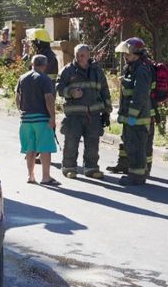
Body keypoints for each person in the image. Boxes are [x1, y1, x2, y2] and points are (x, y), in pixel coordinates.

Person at [56, 44, 111, 179]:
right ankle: (69, 168)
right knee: (71, 143)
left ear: (88, 55)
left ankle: (91, 168)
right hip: (74, 116)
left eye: (83, 55)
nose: (80, 58)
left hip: (93, 115)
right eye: (77, 55)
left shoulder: (97, 71)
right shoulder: (67, 71)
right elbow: (59, 88)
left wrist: (107, 110)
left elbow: (104, 90)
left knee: (92, 143)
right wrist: (70, 92)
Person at [109, 38, 154, 186]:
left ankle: (137, 177)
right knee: (130, 145)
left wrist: (132, 116)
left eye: (127, 54)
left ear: (135, 53)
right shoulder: (132, 68)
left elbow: (139, 96)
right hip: (130, 118)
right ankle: (133, 173)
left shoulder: (141, 70)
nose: (124, 57)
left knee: (137, 147)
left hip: (137, 118)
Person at [16, 55, 59, 186]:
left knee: (30, 149)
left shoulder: (22, 78)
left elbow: (17, 97)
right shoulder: (44, 79)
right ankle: (46, 177)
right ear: (45, 66)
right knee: (45, 148)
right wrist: (52, 117)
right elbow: (48, 99)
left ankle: (30, 176)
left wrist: (21, 111)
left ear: (32, 63)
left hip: (26, 119)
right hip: (41, 119)